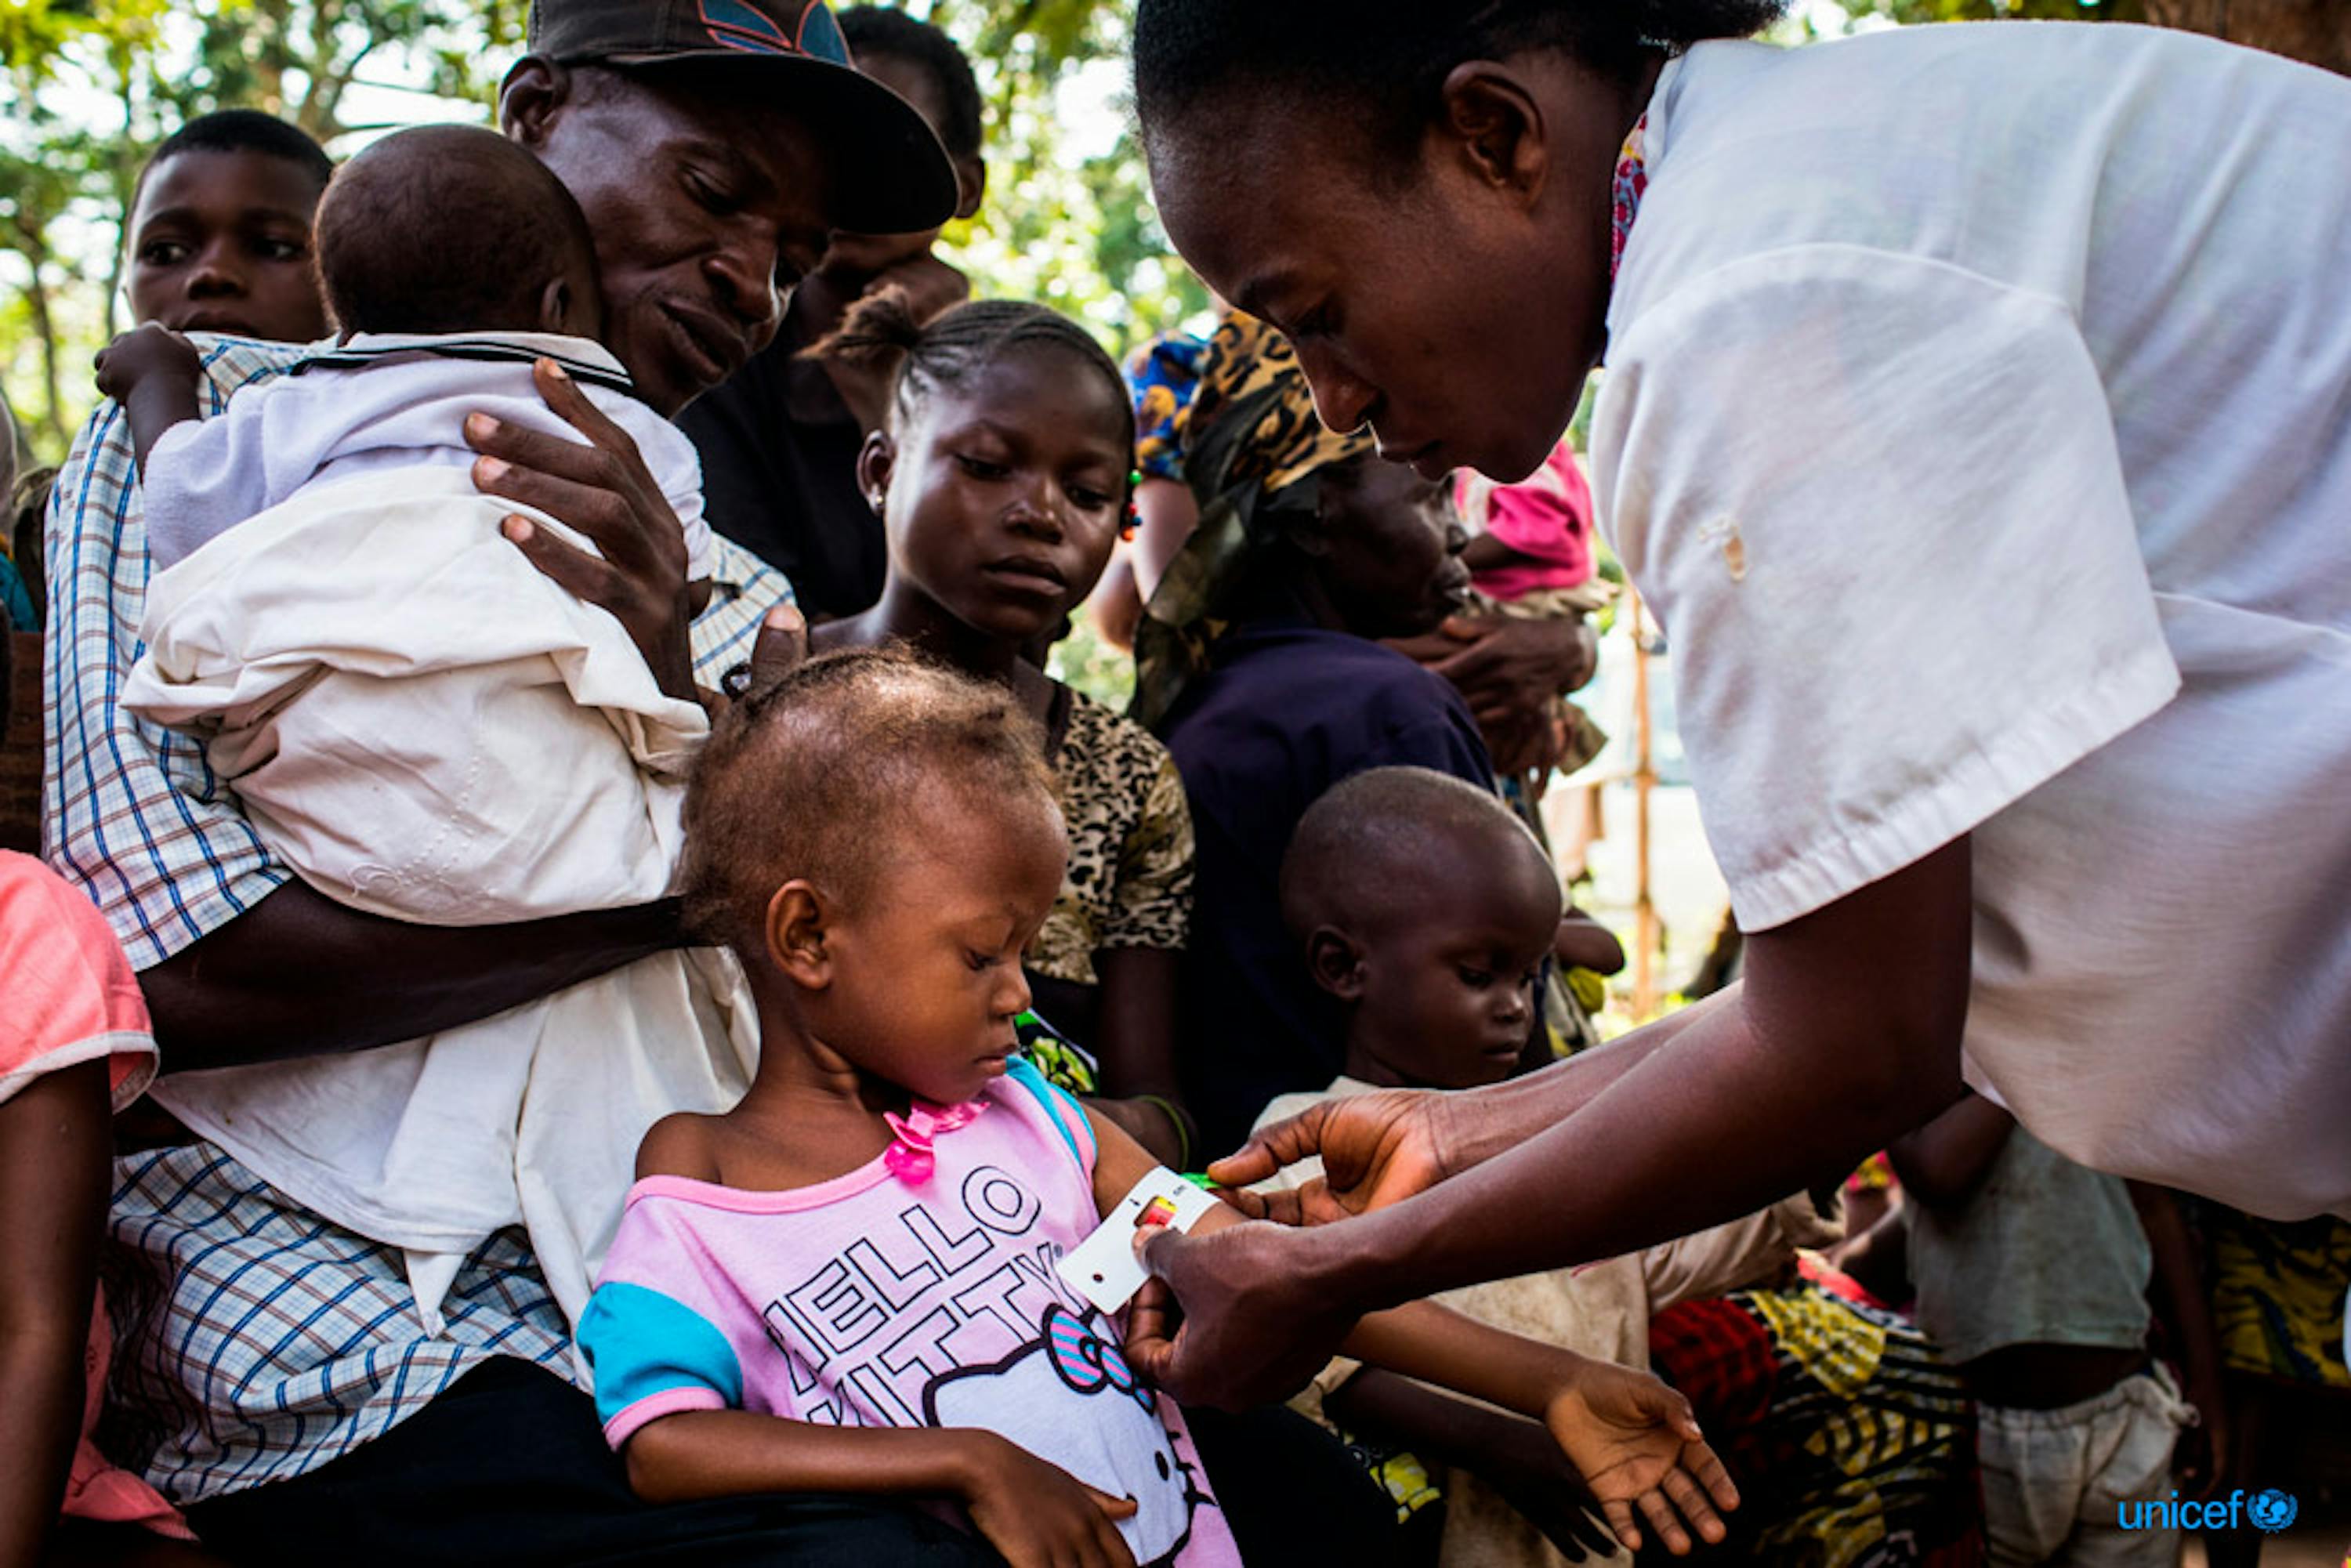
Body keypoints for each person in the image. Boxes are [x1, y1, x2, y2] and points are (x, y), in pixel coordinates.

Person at [1116, 0, 2351, 1410]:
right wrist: (1459, 1133)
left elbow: (1856, 1046)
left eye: (1317, 315)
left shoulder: (1747, 299)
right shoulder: (1829, 174)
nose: (1329, 402)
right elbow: (1850, 992)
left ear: (1494, 137)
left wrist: (1349, 1272)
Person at [42, 3, 974, 1558]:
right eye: (714, 195)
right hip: (334, 1334)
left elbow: (804, 1012)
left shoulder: (720, 585)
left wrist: (664, 684)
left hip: (675, 1300)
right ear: (535, 115)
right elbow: (165, 969)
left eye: (793, 249)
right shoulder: (208, 430)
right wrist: (691, 863)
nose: (750, 283)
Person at [575, 646, 1740, 1566]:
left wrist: (1549, 1380)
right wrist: (967, 1461)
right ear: (807, 935)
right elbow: (666, 1441)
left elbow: (1263, 1269)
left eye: (1025, 950)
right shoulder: (706, 1174)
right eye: (983, 954)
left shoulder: (1037, 1125)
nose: (1021, 993)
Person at [101, 123, 737, 1334]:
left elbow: (181, 503)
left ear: (341, 310)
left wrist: (157, 383)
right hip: (576, 847)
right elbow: (686, 575)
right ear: (563, 300)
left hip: (335, 830)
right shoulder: (628, 438)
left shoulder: (296, 405)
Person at [1261, 766, 1874, 1568]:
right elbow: (1308, 1347)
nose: (1517, 1006)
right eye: (1479, 976)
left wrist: (1827, 1136)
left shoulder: (1565, 1141)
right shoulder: (1303, 1142)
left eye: (1531, 975)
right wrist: (1494, 1438)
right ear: (1344, 967)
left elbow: (1681, 1245)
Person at [805, 294, 1198, 1165]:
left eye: (1089, 493)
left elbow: (1162, 1114)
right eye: (987, 467)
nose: (1041, 514)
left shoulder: (1128, 779)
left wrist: (1021, 1132)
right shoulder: (774, 695)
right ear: (880, 470)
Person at [1135, 313, 1489, 1154]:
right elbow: (1483, 1023)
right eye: (1430, 492)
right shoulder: (1390, 711)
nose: (1461, 529)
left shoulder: (1205, 703)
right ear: (1315, 515)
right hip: (1386, 1179)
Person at [678, 5, 988, 619]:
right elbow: (753, 617)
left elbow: (1002, 627)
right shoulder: (720, 344)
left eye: (892, 151)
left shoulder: (1007, 374)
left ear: (965, 187)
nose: (854, 181)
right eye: (829, 146)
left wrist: (893, 400)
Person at [1895, 1097, 2226, 1567]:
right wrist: (2025, 1050)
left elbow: (2155, 1209)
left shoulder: (2097, 1056)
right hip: (1976, 1433)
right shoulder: (1922, 1064)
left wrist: (2206, 1378)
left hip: (2122, 1415)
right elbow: (1939, 1173)